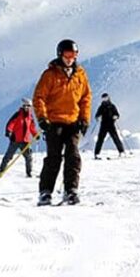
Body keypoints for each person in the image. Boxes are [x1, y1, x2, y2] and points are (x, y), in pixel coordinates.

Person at [33, 39, 92, 206]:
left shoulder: (80, 74)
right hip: (54, 121)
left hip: (73, 121)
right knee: (54, 157)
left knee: (73, 156)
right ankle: (45, 192)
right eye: (67, 54)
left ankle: (71, 190)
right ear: (60, 54)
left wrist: (84, 119)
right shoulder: (50, 75)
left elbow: (86, 98)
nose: (70, 58)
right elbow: (39, 97)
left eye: (74, 54)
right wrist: (42, 118)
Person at [0, 98, 38, 177]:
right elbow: (11, 123)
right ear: (23, 106)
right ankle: (1, 170)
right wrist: (8, 131)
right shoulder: (17, 115)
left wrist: (35, 135)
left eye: (28, 106)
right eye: (25, 106)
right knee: (8, 156)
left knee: (28, 157)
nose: (26, 107)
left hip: (26, 140)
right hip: (15, 139)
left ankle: (29, 172)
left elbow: (32, 127)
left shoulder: (30, 117)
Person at [94, 93, 126, 159]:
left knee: (115, 138)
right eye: (103, 98)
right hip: (104, 125)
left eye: (105, 98)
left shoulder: (112, 106)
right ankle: (97, 153)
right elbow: (97, 114)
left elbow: (117, 114)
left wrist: (115, 117)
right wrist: (97, 117)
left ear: (108, 98)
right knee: (100, 139)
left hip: (111, 124)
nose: (104, 100)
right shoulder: (101, 107)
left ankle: (121, 151)